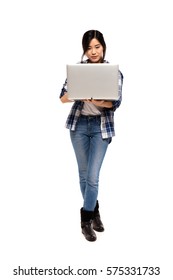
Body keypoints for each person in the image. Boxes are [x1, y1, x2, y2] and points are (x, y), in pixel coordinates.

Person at [60, 30, 123, 242]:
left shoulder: (113, 72)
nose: (93, 51)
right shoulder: (77, 71)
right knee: (84, 175)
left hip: (100, 127)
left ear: (103, 47)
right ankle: (94, 211)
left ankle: (85, 219)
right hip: (78, 127)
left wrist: (94, 99)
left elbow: (114, 103)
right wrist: (79, 92)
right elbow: (63, 98)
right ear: (84, 50)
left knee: (93, 177)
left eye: (97, 46)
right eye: (89, 48)